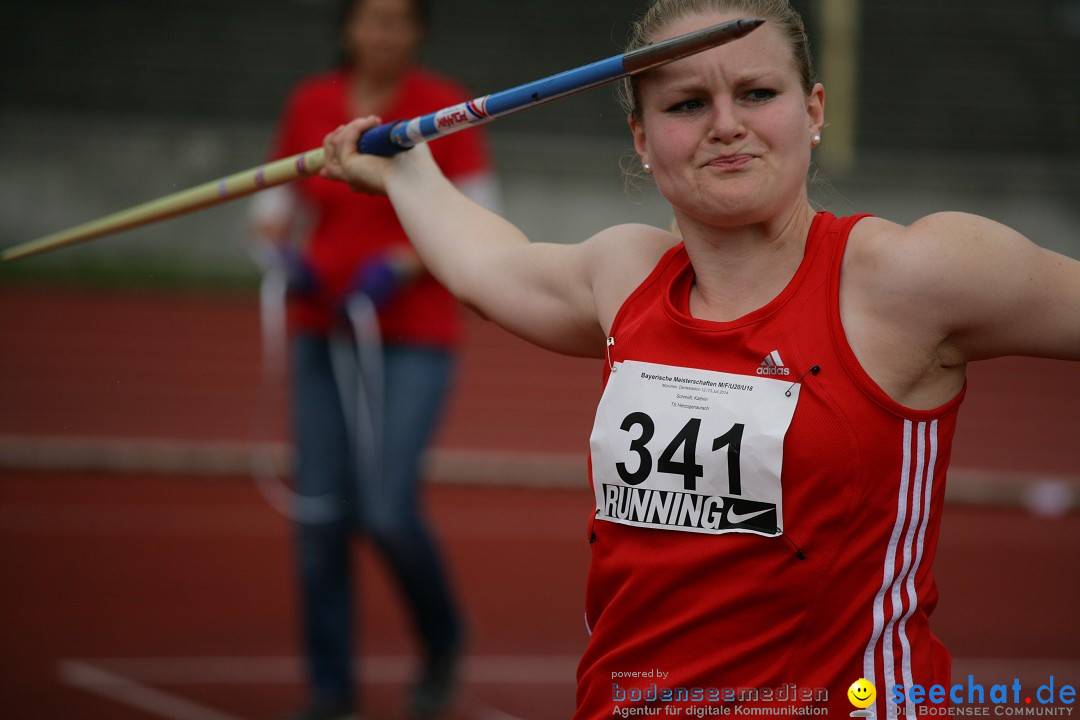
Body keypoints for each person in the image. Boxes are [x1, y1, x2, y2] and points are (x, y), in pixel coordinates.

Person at [319, 0, 1080, 717]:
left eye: (755, 92)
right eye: (686, 104)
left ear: (813, 111)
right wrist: (405, 171)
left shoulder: (914, 277)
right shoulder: (626, 277)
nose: (726, 125)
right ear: (643, 140)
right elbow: (490, 268)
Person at [250, 0, 497, 718]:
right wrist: (280, 251)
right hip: (320, 324)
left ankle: (443, 635)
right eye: (370, 18)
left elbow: (480, 215)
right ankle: (330, 693)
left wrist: (404, 260)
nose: (383, 33)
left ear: (418, 31)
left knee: (386, 508)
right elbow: (272, 210)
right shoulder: (312, 103)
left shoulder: (442, 106)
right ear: (347, 28)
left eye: (398, 20)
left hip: (414, 331)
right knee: (321, 515)